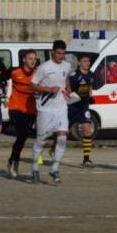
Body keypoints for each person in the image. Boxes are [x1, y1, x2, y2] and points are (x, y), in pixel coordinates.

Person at [30, 40, 72, 184]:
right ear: (52, 52)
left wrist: (69, 91)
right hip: (45, 109)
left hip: (61, 108)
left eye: (63, 53)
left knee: (62, 137)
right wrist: (48, 89)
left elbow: (65, 78)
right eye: (59, 53)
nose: (61, 56)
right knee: (41, 141)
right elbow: (32, 85)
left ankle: (54, 168)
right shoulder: (44, 67)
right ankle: (35, 167)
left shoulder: (67, 65)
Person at [5, 49, 38, 179]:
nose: (33, 60)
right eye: (30, 58)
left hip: (31, 109)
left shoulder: (38, 73)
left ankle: (12, 160)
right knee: (22, 133)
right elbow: (1, 77)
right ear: (24, 59)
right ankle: (14, 163)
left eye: (34, 58)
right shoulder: (15, 72)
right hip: (15, 108)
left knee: (23, 138)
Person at [68, 54, 97, 168]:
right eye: (84, 61)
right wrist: (71, 95)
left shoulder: (91, 75)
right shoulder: (73, 76)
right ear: (79, 63)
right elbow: (67, 88)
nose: (87, 63)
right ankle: (54, 147)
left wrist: (90, 96)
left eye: (88, 61)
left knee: (87, 131)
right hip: (72, 107)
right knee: (63, 132)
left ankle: (86, 159)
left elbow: (90, 87)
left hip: (83, 107)